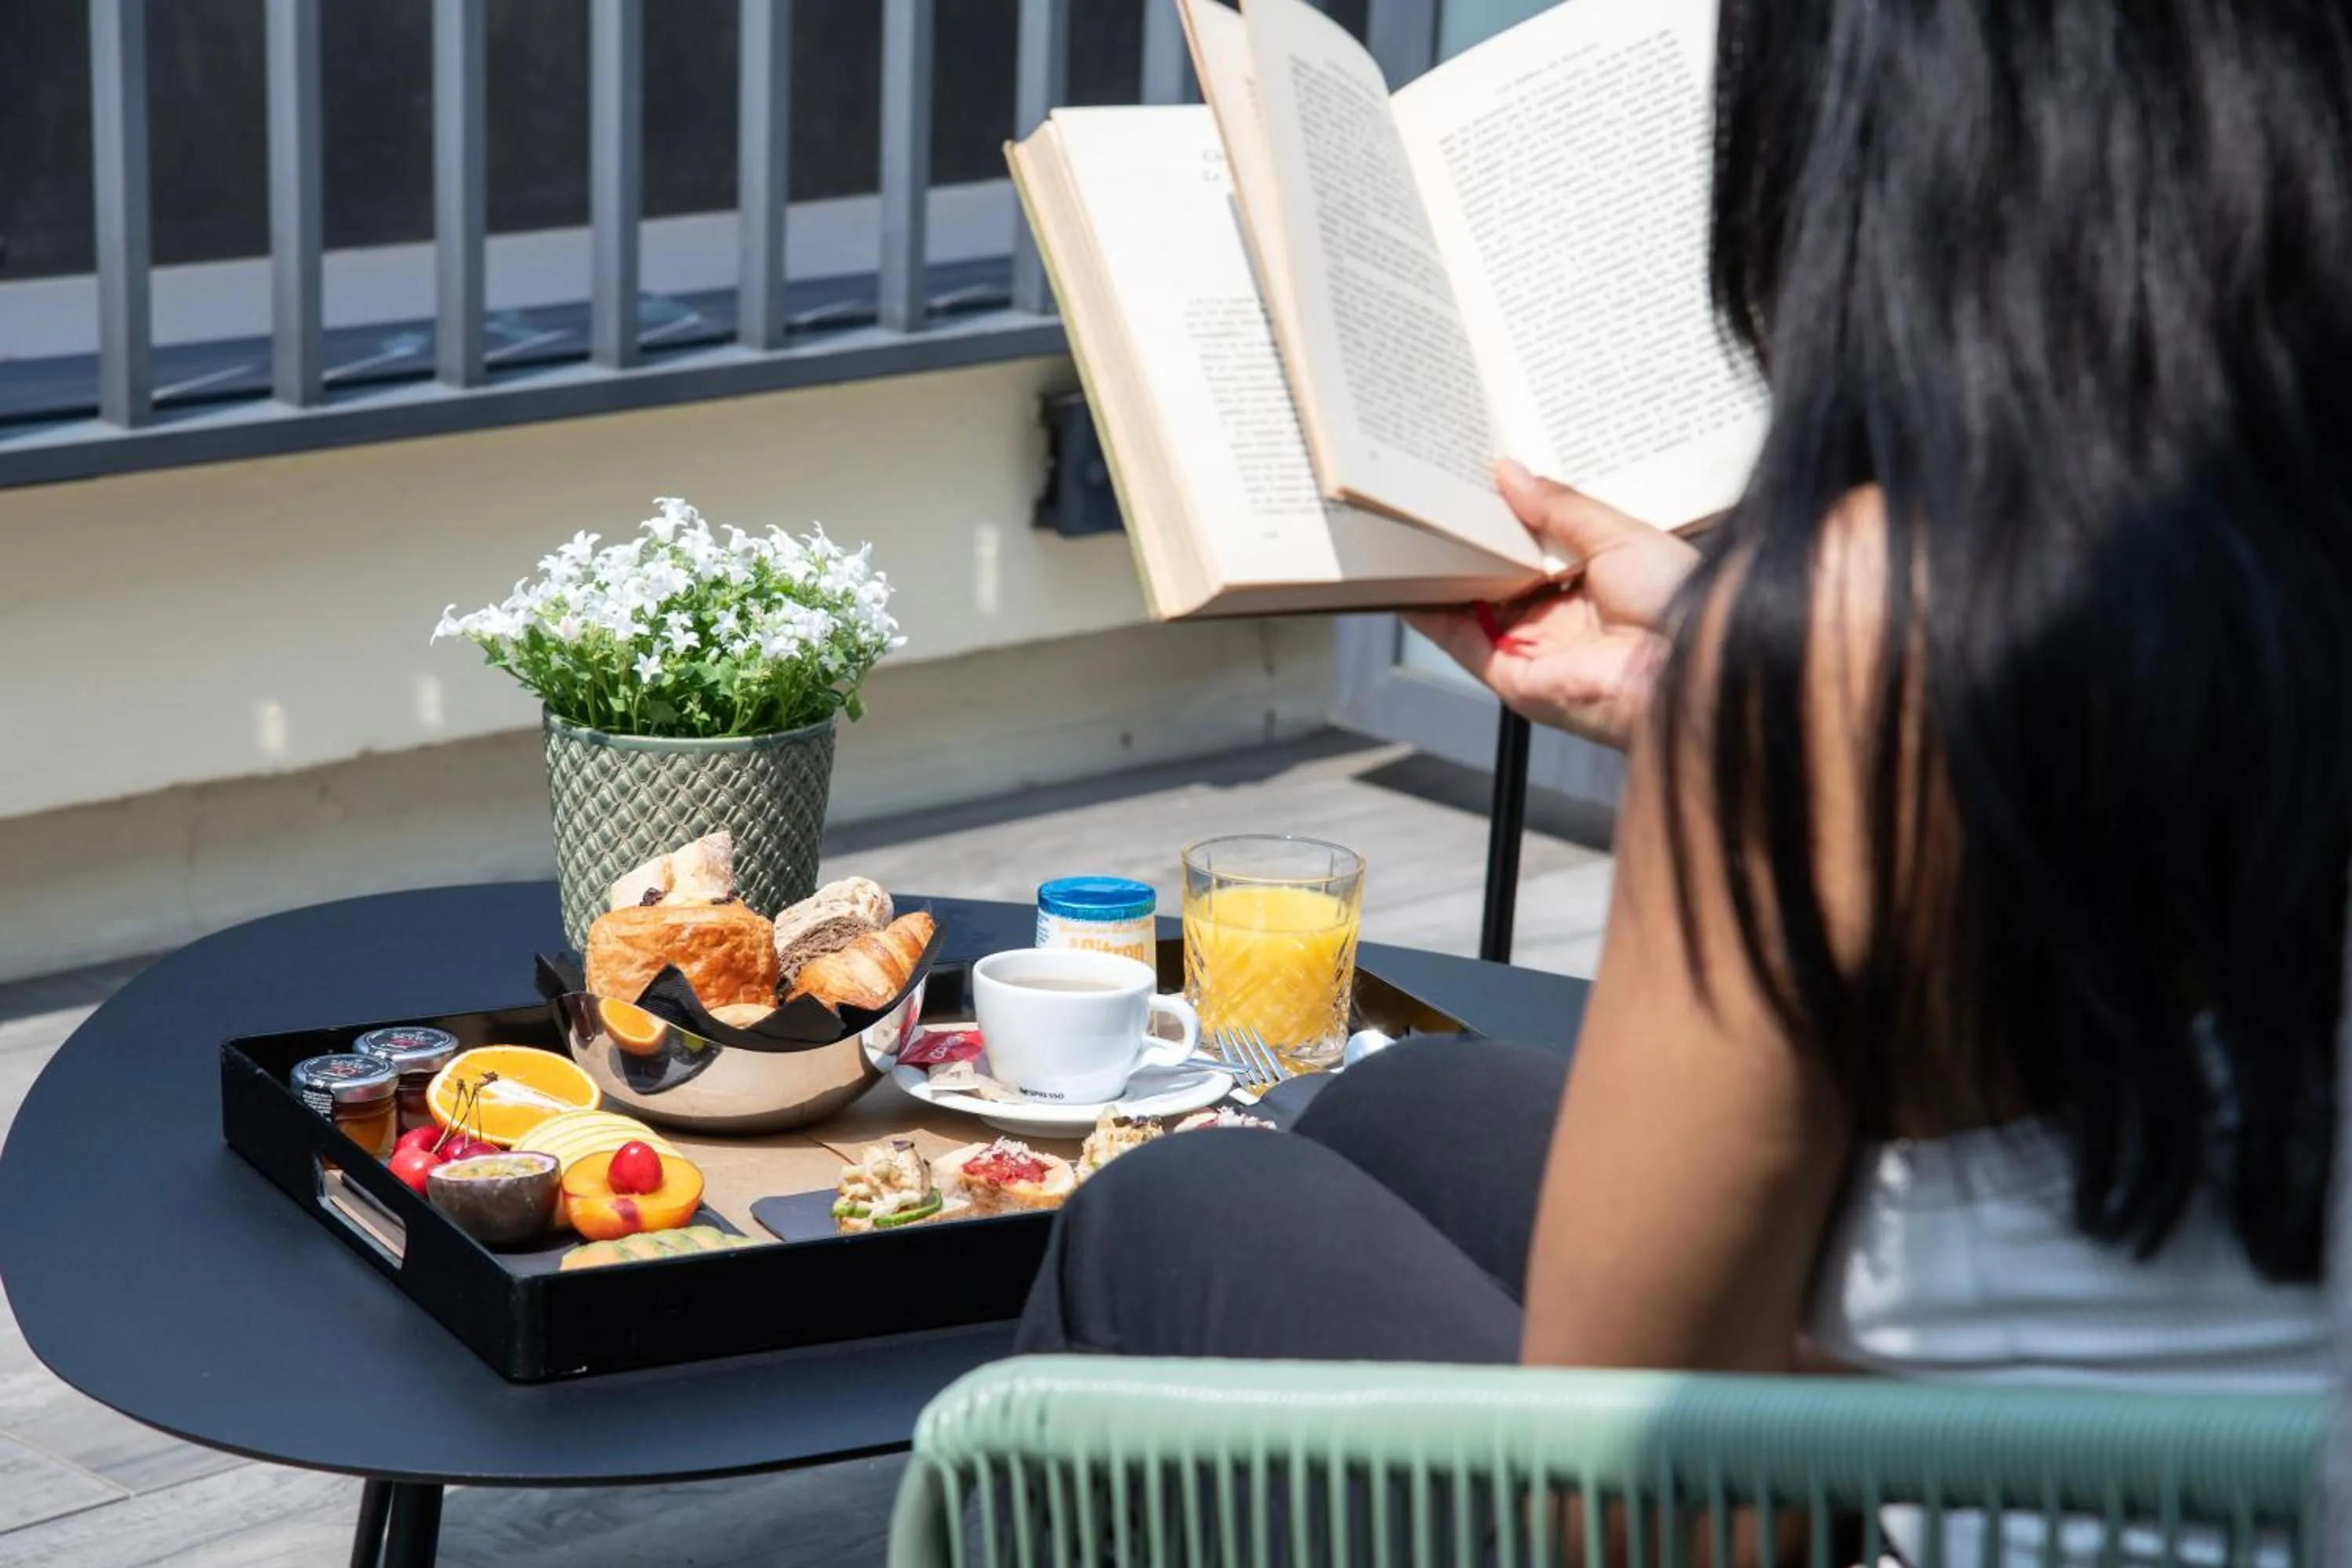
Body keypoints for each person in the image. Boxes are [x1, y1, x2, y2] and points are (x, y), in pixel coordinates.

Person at [1018, 0, 2350, 1417]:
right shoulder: (2262, 535)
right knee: (1391, 1101)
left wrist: (1758, 711)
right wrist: (1725, 675)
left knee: (1174, 1206)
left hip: (1972, 1505)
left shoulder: (1860, 629)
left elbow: (1653, 1496)